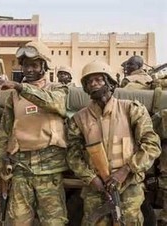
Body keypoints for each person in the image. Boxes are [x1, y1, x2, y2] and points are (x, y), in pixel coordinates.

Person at [66, 60, 161, 225]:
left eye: (99, 79)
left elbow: (151, 145)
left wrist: (125, 170)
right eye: (89, 81)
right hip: (95, 189)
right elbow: (73, 155)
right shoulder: (79, 119)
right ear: (86, 88)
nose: (94, 84)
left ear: (110, 83)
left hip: (128, 187)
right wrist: (91, 178)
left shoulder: (131, 109)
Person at [0, 41, 69, 225]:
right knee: (18, 220)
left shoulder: (57, 89)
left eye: (34, 65)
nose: (29, 69)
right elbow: (5, 131)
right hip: (21, 168)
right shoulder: (14, 96)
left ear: (44, 66)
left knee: (54, 222)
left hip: (49, 169)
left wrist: (19, 86)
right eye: (26, 65)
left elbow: (51, 102)